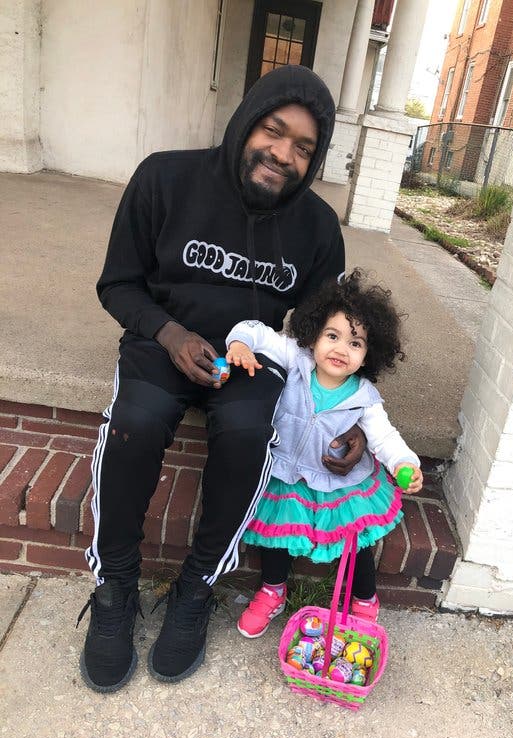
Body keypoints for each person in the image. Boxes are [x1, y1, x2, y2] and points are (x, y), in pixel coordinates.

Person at [78, 66, 369, 694]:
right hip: (165, 344)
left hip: (254, 362)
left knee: (247, 431)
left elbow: (330, 335)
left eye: (303, 148)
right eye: (274, 131)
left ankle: (197, 587)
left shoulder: (318, 229)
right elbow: (118, 284)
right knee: (135, 421)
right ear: (247, 122)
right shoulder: (165, 177)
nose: (283, 155)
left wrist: (353, 417)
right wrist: (169, 333)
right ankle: (115, 588)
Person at [224, 270, 424, 639]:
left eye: (356, 343)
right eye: (332, 336)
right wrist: (240, 344)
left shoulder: (363, 398)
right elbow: (255, 328)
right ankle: (272, 590)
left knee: (356, 539)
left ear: (368, 356)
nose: (340, 349)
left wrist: (403, 461)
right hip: (286, 474)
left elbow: (384, 436)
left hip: (339, 482)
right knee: (279, 536)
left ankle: (364, 598)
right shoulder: (295, 360)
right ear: (314, 334)